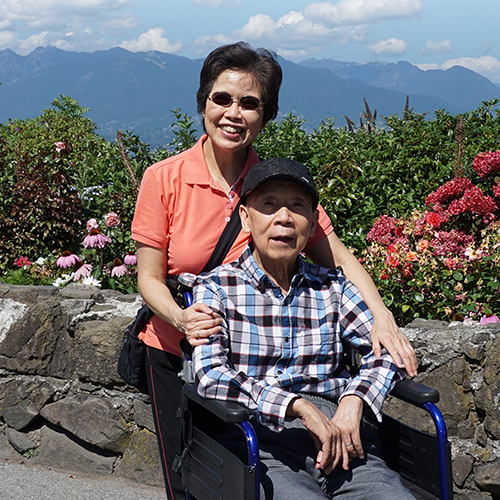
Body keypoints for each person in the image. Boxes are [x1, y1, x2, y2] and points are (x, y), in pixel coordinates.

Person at [131, 42, 416, 500]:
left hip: (256, 359)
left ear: (265, 115)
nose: (233, 113)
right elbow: (148, 276)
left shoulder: (273, 187)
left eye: (249, 103)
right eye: (221, 99)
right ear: (203, 102)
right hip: (174, 344)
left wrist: (381, 317)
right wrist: (183, 319)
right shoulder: (164, 177)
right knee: (189, 479)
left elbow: (337, 258)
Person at [192, 158, 416, 499]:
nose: (284, 217)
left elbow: (386, 352)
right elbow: (211, 376)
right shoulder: (217, 288)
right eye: (269, 205)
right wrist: (296, 406)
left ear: (312, 224)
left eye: (297, 206)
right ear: (246, 219)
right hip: (263, 444)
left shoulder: (334, 287)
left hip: (345, 442)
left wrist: (356, 398)